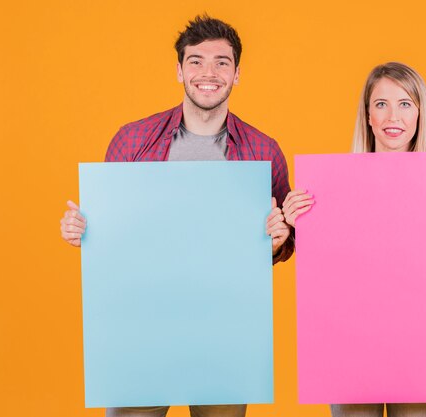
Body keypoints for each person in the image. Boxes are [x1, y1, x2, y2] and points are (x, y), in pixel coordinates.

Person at [59, 15, 292, 417]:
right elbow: (112, 233)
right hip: (141, 328)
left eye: (222, 62)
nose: (208, 73)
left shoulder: (262, 150)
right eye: (196, 61)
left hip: (225, 329)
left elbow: (284, 238)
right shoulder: (132, 140)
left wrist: (276, 240)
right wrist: (84, 230)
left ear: (237, 74)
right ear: (179, 70)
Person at [282, 62, 426, 417]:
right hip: (350, 343)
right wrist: (297, 224)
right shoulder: (332, 188)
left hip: (422, 344)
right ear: (368, 115)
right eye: (381, 104)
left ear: (420, 114)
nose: (393, 116)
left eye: (405, 104)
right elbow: (328, 273)